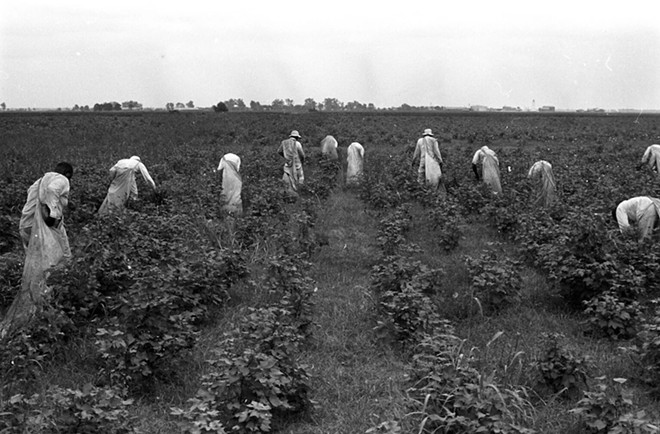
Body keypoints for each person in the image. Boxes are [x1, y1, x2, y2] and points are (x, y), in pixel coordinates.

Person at [2, 162, 74, 337]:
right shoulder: (61, 179)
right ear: (67, 173)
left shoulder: (40, 180)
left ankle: (37, 303)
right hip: (42, 229)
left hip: (27, 228)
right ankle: (45, 308)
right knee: (59, 262)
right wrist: (53, 216)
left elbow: (32, 196)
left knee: (37, 267)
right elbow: (52, 191)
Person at [277, 130, 305, 196]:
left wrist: (285, 157)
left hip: (288, 165)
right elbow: (302, 155)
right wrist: (302, 161)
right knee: (301, 178)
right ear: (297, 138)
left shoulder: (284, 143)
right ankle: (299, 193)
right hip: (297, 165)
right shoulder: (298, 144)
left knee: (285, 182)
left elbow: (279, 151)